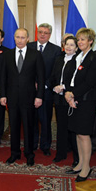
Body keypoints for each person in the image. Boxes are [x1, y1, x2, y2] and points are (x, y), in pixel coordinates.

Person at [0, 28, 45, 166]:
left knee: (29, 127)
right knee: (13, 126)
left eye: (22, 37)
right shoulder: (7, 54)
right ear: (14, 38)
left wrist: (39, 96)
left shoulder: (35, 54)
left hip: (29, 98)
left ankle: (29, 154)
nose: (20, 40)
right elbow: (3, 77)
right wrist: (2, 95)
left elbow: (41, 78)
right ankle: (14, 153)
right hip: (12, 98)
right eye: (17, 37)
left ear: (28, 39)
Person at [63, 28, 96, 182]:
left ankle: (86, 167)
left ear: (90, 41)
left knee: (84, 134)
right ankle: (79, 163)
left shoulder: (94, 58)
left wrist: (72, 94)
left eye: (83, 40)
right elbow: (70, 77)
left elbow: (90, 82)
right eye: (78, 40)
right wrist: (68, 93)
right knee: (78, 134)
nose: (79, 42)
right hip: (75, 99)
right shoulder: (78, 57)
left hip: (87, 100)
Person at [27, 23, 61, 156]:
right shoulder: (28, 46)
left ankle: (45, 146)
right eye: (40, 32)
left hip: (46, 91)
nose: (42, 34)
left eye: (45, 33)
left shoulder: (56, 50)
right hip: (29, 90)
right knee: (31, 119)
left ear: (50, 35)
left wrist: (43, 85)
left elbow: (55, 71)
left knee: (45, 120)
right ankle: (33, 144)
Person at [49, 35, 78, 164]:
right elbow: (53, 77)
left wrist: (64, 87)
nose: (68, 47)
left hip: (71, 99)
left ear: (76, 48)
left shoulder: (78, 60)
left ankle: (76, 157)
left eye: (72, 45)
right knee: (61, 127)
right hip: (59, 99)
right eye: (67, 44)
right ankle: (60, 153)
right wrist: (53, 86)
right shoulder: (59, 59)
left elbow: (77, 81)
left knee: (73, 128)